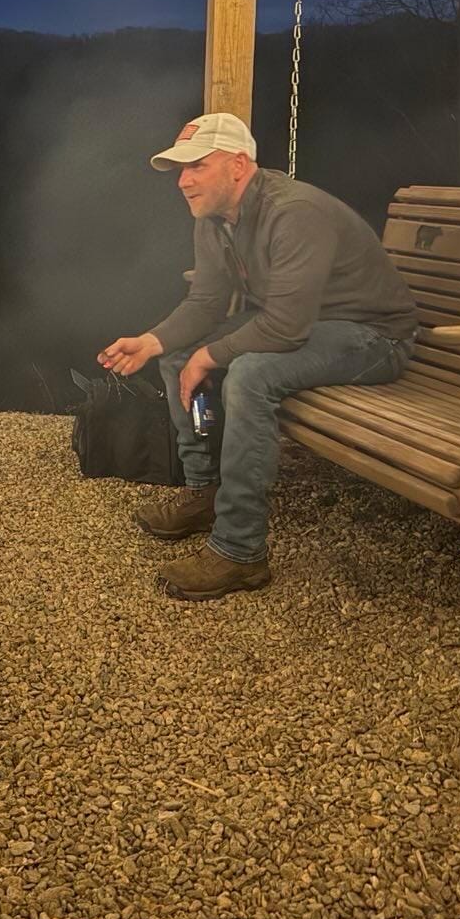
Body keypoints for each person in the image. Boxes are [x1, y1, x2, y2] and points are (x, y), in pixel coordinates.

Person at [97, 112, 418, 603]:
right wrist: (153, 341)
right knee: (178, 356)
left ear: (238, 165)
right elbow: (206, 302)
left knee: (249, 374)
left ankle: (240, 550)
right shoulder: (215, 219)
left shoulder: (294, 212)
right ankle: (205, 491)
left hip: (373, 337)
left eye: (197, 166)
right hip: (309, 327)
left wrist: (210, 355)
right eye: (180, 170)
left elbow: (285, 327)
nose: (183, 181)